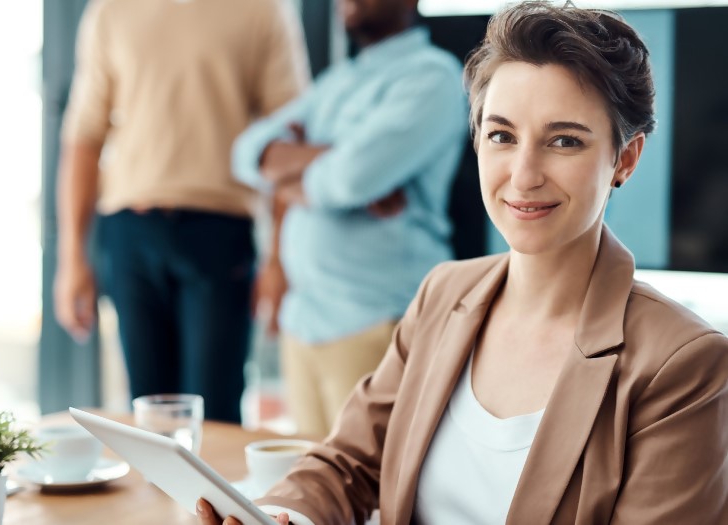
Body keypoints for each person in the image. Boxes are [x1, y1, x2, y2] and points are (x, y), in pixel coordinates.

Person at [201, 2, 728, 523]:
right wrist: (275, 517)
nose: (523, 175)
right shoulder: (442, 294)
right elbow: (349, 463)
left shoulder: (683, 365)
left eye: (564, 141)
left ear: (625, 159)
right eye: (501, 136)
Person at [54, 0, 309, 423]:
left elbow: (292, 131)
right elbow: (83, 136)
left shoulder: (264, 10)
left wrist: (280, 258)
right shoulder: (111, 10)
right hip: (129, 232)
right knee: (146, 415)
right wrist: (71, 259)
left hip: (220, 233)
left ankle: (211, 494)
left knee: (214, 412)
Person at [232, 0, 467, 437]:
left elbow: (347, 181)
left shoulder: (432, 76)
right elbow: (246, 154)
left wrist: (293, 171)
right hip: (303, 324)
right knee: (311, 493)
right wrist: (340, 156)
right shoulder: (337, 82)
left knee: (377, 495)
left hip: (375, 321)